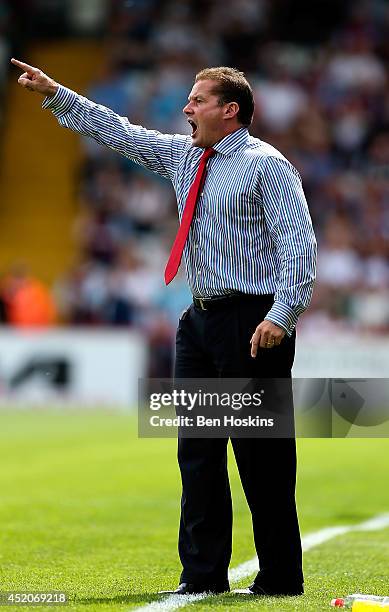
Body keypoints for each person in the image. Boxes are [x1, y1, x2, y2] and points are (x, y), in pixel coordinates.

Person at [11, 58, 317, 597]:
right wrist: (57, 93)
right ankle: (202, 576)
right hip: (197, 321)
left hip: (252, 321)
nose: (186, 107)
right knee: (196, 452)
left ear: (230, 110)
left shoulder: (266, 164)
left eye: (197, 100)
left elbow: (299, 244)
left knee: (261, 457)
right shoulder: (183, 157)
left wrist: (281, 315)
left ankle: (281, 577)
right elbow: (120, 133)